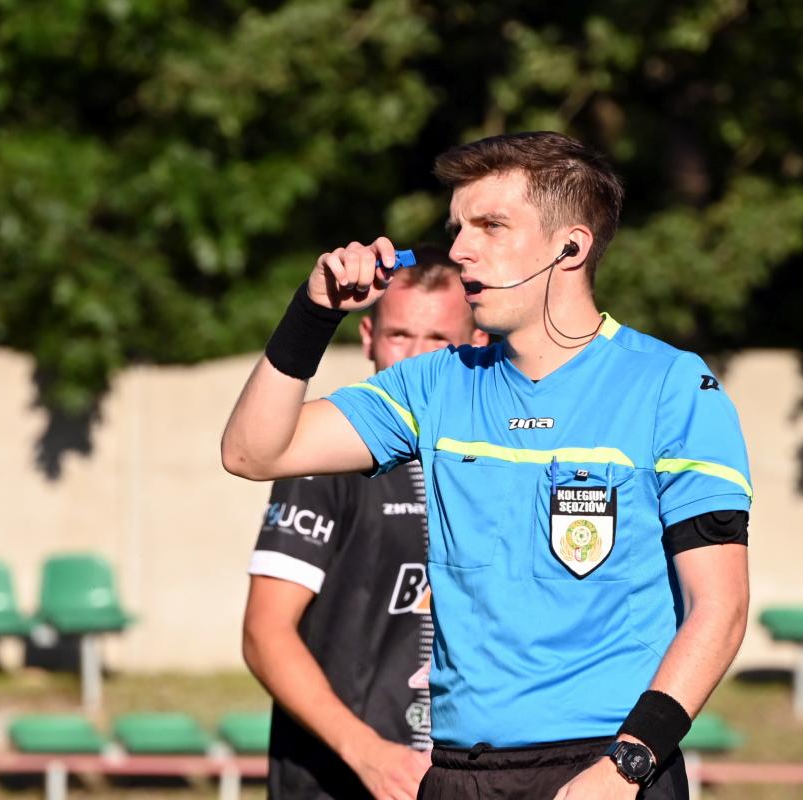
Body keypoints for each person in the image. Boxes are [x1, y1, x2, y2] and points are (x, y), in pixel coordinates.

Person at [223, 131, 753, 800]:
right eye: (457, 228)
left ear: (571, 247)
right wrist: (313, 310)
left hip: (609, 769)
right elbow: (253, 451)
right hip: (457, 773)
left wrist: (627, 765)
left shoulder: (672, 387)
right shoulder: (434, 384)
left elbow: (721, 607)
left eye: (491, 226)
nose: (459, 250)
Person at [241, 247, 488, 800]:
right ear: (368, 337)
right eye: (399, 335)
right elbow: (264, 633)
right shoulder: (325, 457)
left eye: (438, 339)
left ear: (476, 344)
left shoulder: (500, 457)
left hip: (460, 777)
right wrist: (368, 752)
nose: (415, 358)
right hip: (336, 779)